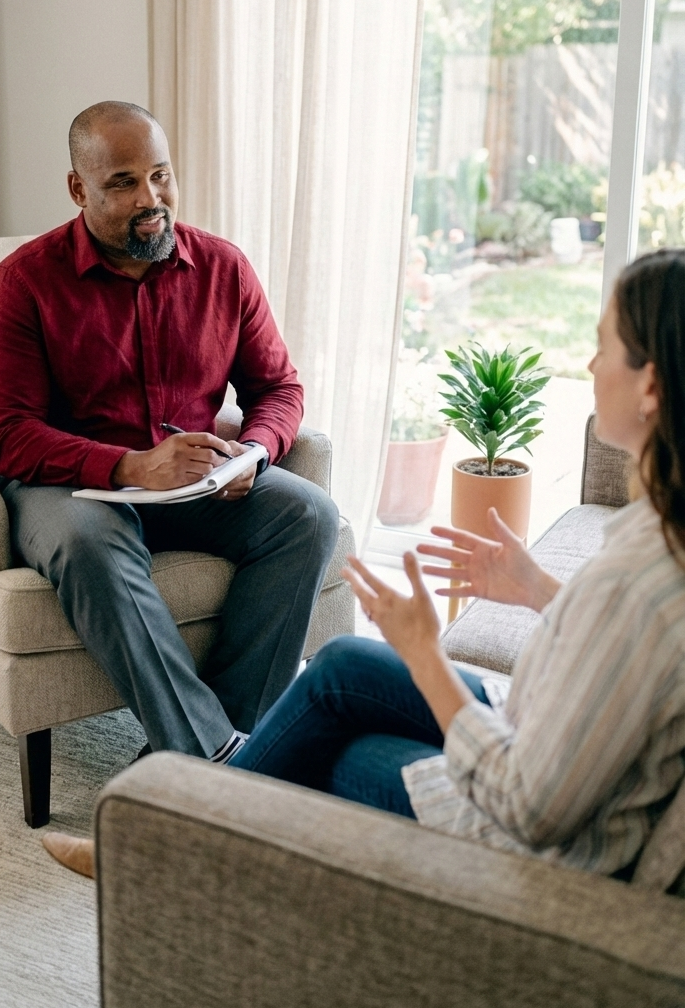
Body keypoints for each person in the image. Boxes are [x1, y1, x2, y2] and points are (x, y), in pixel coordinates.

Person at [228, 248, 685, 878]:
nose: (589, 364)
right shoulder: (662, 535)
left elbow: (530, 808)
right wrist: (540, 589)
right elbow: (630, 649)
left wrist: (425, 654)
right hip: (543, 739)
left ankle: (168, 845)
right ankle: (181, 820)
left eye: (603, 347)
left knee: (333, 755)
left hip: (541, 848)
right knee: (340, 666)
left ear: (653, 387)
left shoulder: (637, 578)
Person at [0, 102, 339, 854]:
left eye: (161, 176)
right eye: (124, 182)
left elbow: (280, 389)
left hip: (196, 483)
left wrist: (256, 454)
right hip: (70, 488)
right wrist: (128, 465)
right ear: (78, 190)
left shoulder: (223, 267)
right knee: (89, 537)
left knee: (310, 516)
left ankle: (208, 759)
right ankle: (218, 760)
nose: (151, 199)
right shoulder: (22, 285)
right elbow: (5, 434)